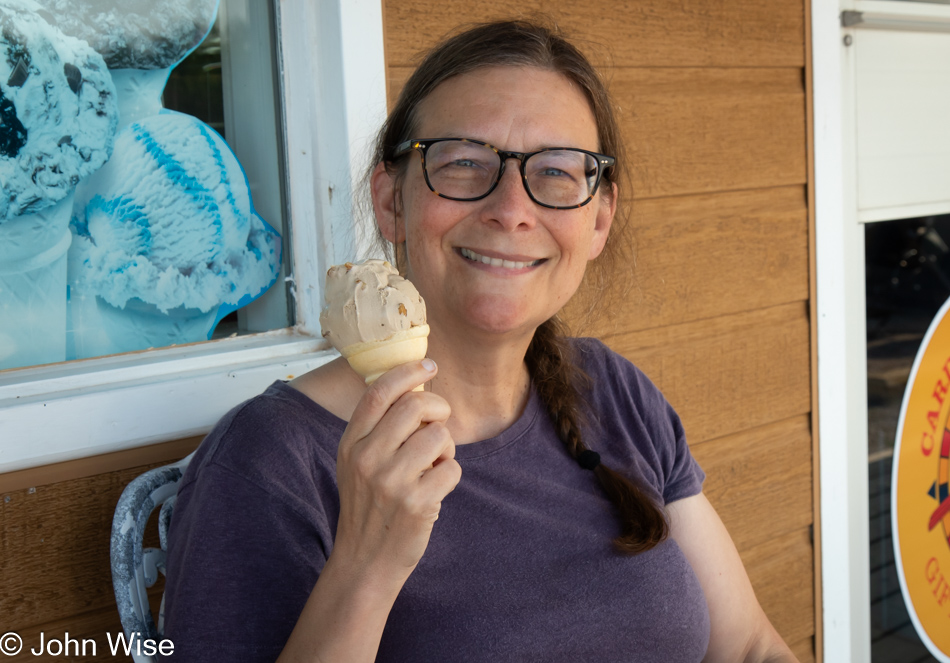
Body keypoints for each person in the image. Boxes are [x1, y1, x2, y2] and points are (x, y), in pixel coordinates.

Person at [162, 20, 799, 663]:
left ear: (598, 220)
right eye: (465, 162)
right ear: (392, 203)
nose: (512, 208)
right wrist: (367, 565)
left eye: (556, 172)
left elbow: (748, 647)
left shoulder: (611, 391)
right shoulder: (273, 459)